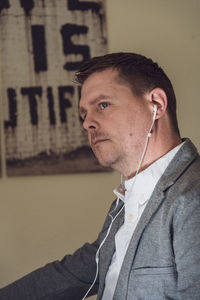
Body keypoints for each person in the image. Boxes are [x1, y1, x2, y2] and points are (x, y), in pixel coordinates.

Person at [0, 52, 200, 300]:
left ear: (156, 104)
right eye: (84, 114)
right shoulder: (127, 200)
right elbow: (76, 274)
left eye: (103, 105)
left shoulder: (193, 197)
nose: (87, 124)